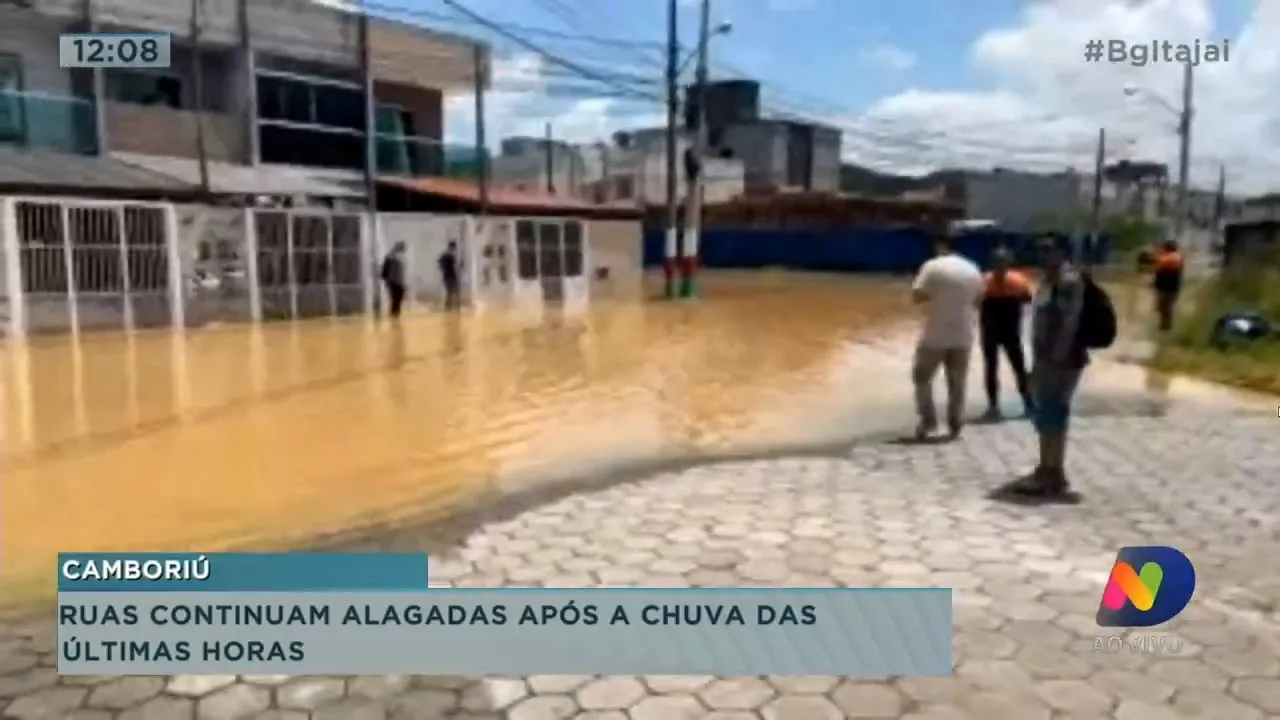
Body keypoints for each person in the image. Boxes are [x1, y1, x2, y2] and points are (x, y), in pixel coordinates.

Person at [1004, 235, 1089, 500]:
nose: (1043, 255)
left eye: (1049, 250)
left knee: (1051, 413)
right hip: (1047, 358)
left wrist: (1056, 357)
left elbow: (1069, 322)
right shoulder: (1048, 280)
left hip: (1060, 360)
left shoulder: (1068, 282)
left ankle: (1048, 472)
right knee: (1050, 414)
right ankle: (1052, 469)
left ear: (1063, 252)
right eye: (1040, 250)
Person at [910, 234, 985, 440]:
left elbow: (917, 296)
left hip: (935, 334)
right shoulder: (973, 268)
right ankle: (955, 423)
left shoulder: (932, 266)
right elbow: (979, 300)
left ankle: (928, 420)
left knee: (922, 377)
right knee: (957, 381)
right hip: (963, 334)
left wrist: (936, 297)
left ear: (940, 246)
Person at [979, 247, 1034, 419]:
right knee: (1003, 368)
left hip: (998, 330)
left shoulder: (984, 281)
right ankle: (1000, 405)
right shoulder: (1018, 281)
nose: (1000, 265)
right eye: (998, 261)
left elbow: (975, 302)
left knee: (1012, 368)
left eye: (1002, 261)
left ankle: (1026, 404)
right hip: (1001, 330)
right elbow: (1027, 299)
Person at [1151, 240, 1184, 331]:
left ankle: (1166, 325)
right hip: (1167, 285)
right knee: (1164, 306)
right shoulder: (1174, 256)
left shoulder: (1174, 257)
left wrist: (1157, 254)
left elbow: (1160, 263)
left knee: (1165, 305)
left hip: (1168, 285)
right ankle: (1164, 324)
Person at [380, 242, 408, 319]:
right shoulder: (391, 257)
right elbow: (385, 270)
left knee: (397, 299)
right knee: (396, 299)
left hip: (398, 281)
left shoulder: (400, 257)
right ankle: (394, 315)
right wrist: (386, 279)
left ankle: (395, 314)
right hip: (394, 281)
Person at [439, 241, 461, 310]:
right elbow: (455, 266)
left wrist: (443, 271)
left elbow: (440, 263)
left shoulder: (444, 255)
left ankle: (449, 306)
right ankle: (454, 306)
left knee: (449, 292)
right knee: (454, 292)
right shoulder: (451, 256)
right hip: (452, 276)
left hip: (446, 276)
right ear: (452, 247)